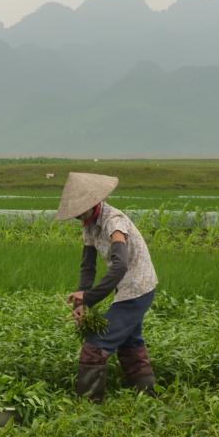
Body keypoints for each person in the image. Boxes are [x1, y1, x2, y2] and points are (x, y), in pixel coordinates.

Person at [56, 172, 158, 402]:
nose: (80, 219)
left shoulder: (115, 223)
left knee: (95, 346)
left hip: (137, 289)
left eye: (81, 213)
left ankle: (88, 406)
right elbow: (88, 267)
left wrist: (90, 297)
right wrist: (82, 302)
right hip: (125, 290)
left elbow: (120, 265)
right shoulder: (90, 226)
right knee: (130, 344)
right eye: (76, 216)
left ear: (93, 205)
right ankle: (148, 397)